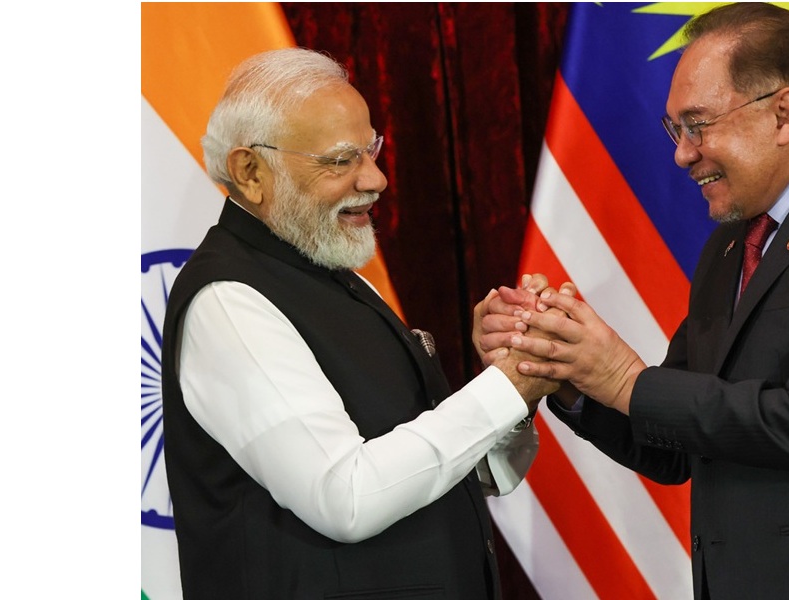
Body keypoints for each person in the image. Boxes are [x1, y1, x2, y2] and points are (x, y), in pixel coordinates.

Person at [479, 4, 789, 598]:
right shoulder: (729, 248)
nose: (682, 154)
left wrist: (623, 376)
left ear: (784, 114)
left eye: (697, 124)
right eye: (675, 130)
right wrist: (565, 368)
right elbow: (675, 444)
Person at [159, 47, 556, 600]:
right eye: (341, 160)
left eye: (371, 150)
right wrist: (505, 389)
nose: (377, 179)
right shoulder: (229, 300)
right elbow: (345, 498)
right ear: (251, 172)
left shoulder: (329, 270)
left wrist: (517, 376)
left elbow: (467, 476)